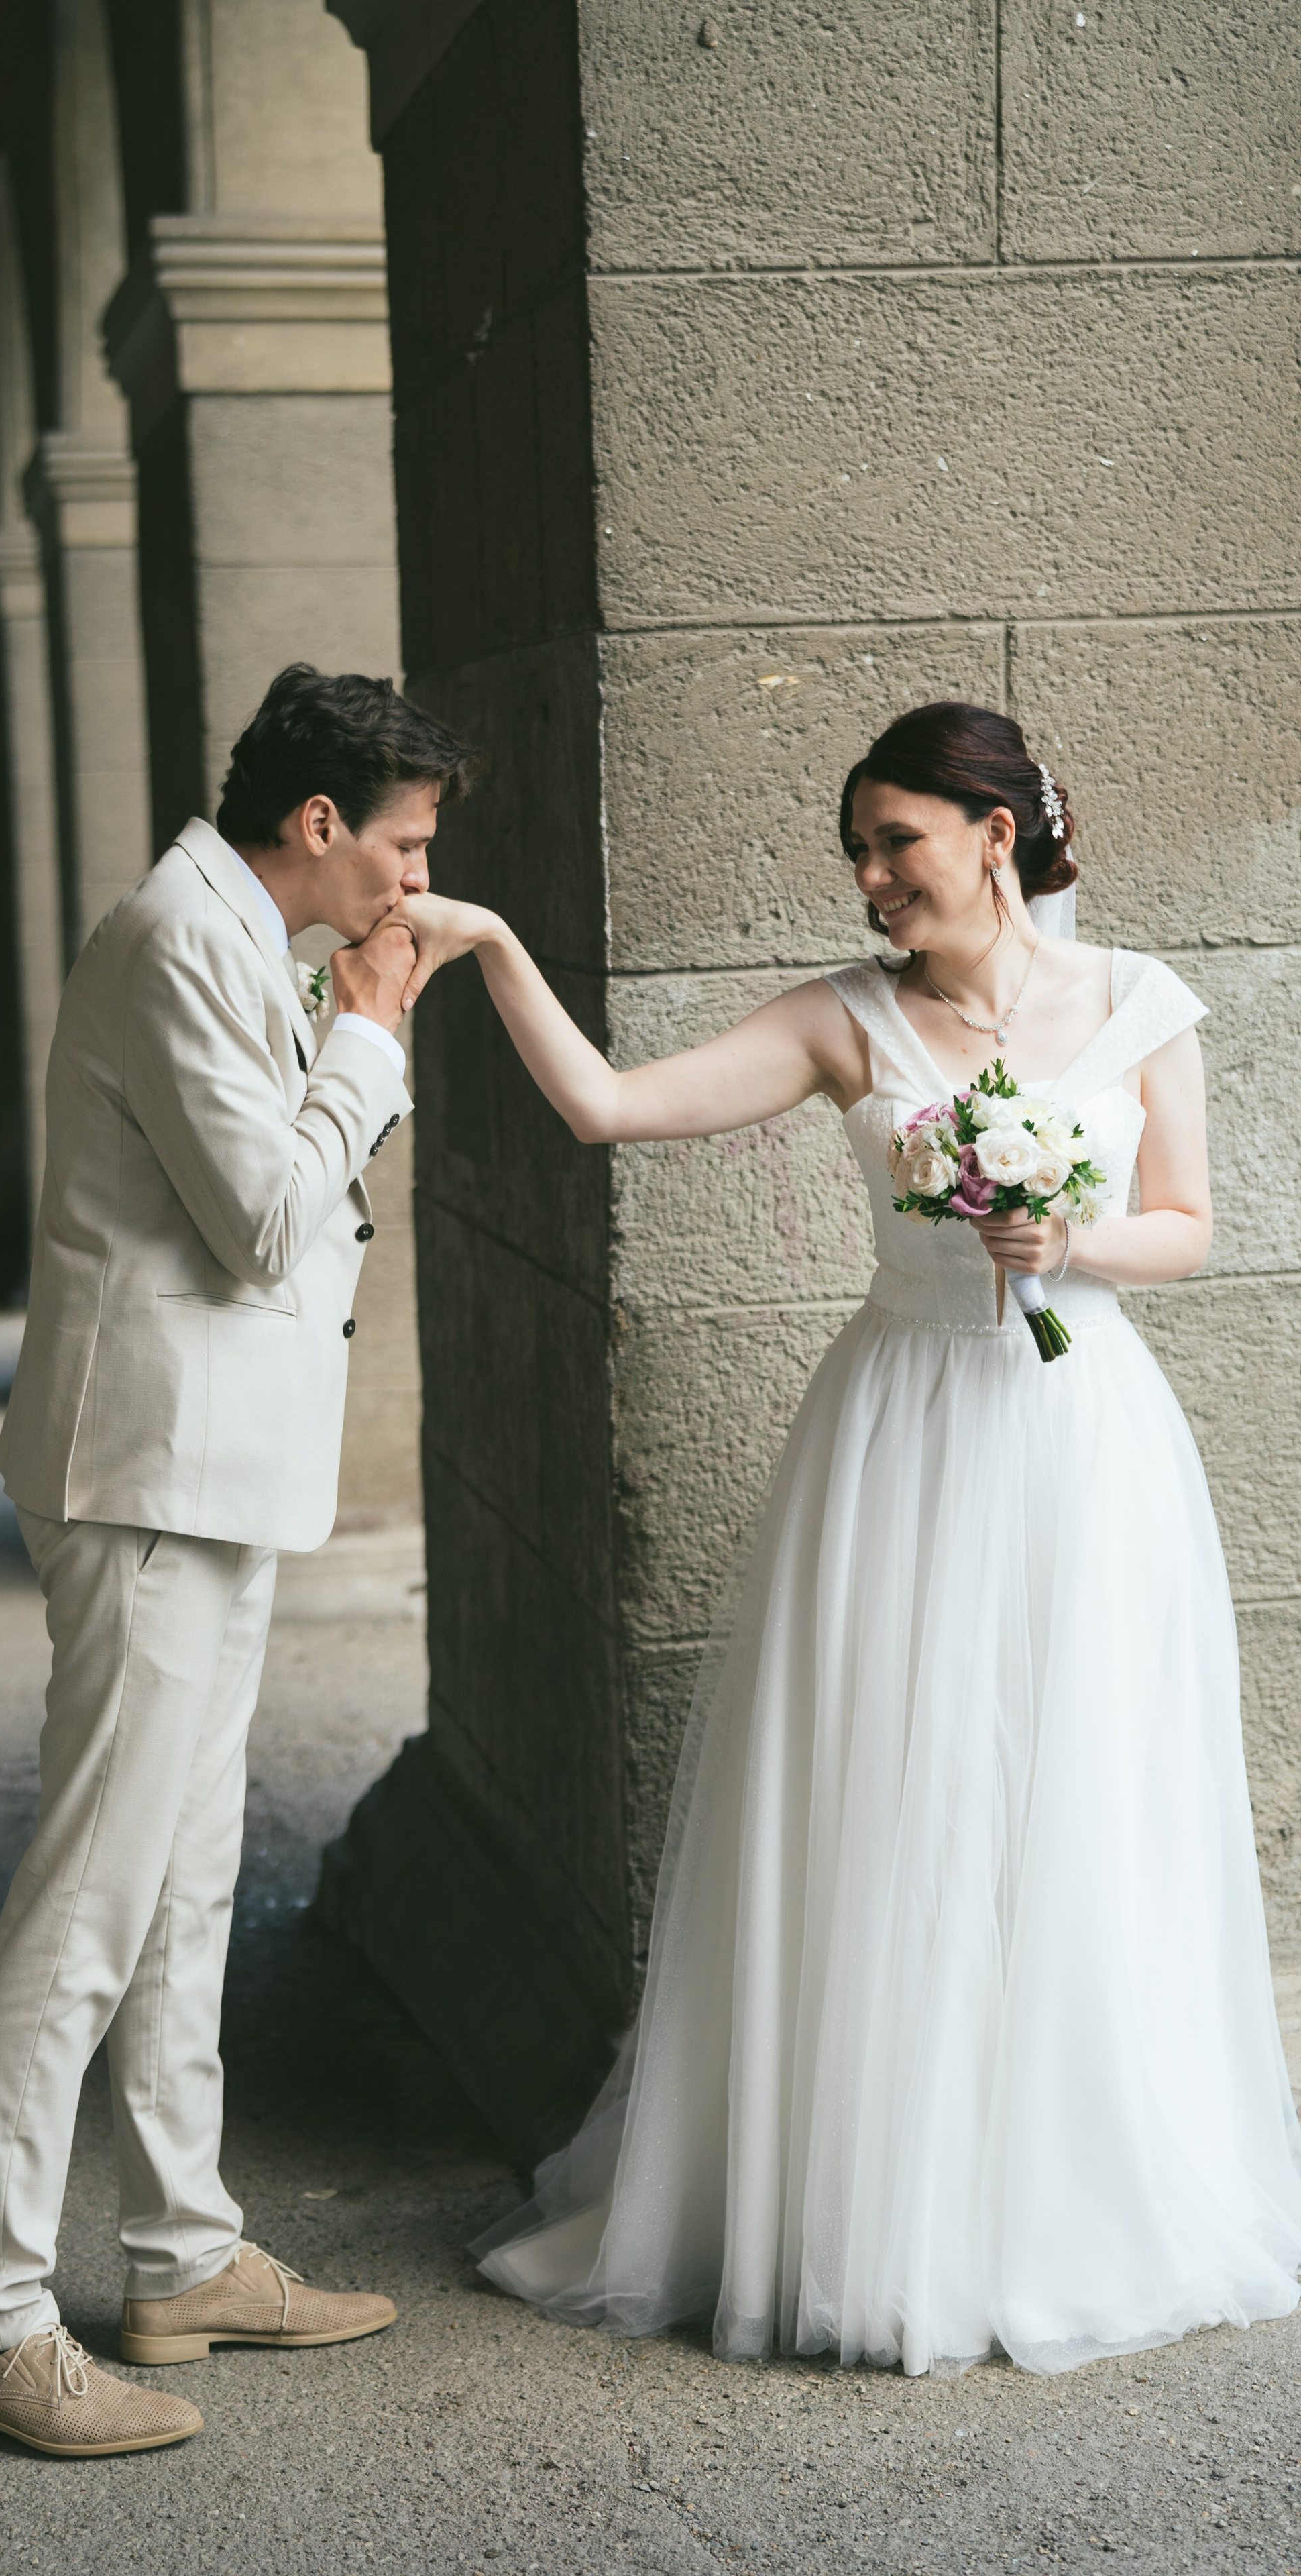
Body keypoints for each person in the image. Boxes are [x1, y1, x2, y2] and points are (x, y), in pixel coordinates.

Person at [392, 700, 1301, 2377]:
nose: (870, 879)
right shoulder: (841, 1020)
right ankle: (891, 2210)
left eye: (896, 843)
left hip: (1086, 1440)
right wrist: (496, 946)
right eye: (857, 852)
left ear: (994, 835)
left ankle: (1071, 2193)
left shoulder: (1139, 1003)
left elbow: (1185, 1223)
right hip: (901, 1435)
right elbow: (604, 1108)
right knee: (903, 1793)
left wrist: (1072, 1239)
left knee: (1082, 1788)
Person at [0, 664, 473, 2455]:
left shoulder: (241, 932)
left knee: (185, 1888)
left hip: (212, 1472)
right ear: (318, 824)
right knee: (90, 1903)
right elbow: (263, 1222)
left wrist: (347, 1012)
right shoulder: (176, 936)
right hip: (146, 1477)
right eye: (404, 848)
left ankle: (179, 2256)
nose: (415, 883)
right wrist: (368, 1032)